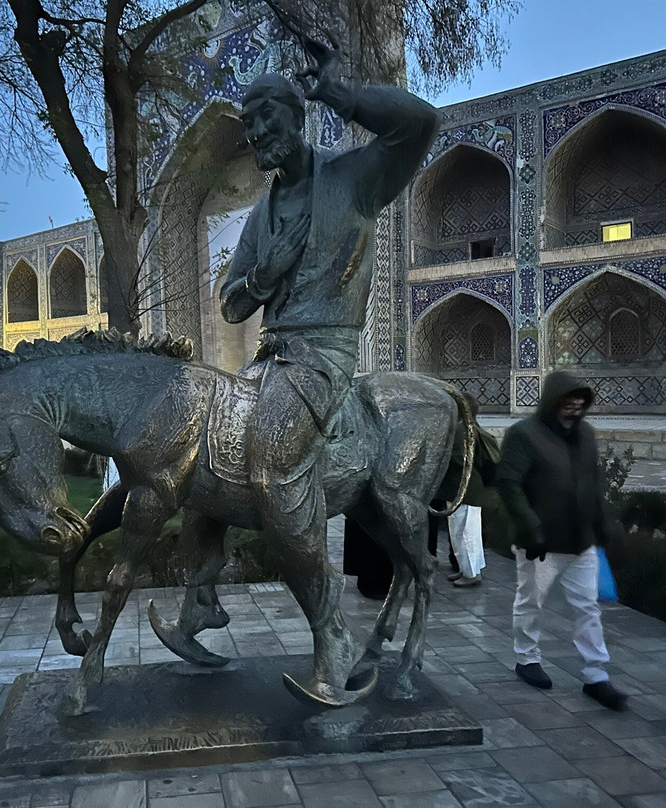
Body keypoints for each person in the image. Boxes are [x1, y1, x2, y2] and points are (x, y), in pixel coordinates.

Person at [215, 38, 441, 703]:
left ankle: (330, 633)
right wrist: (265, 271)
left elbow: (421, 124)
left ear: (296, 116)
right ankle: (200, 598)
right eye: (249, 125)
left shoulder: (353, 181)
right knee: (203, 443)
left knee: (269, 470)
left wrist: (340, 91)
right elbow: (232, 303)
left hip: (324, 356)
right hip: (271, 356)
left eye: (267, 120)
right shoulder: (264, 212)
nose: (257, 134)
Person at [497, 370, 627, 711]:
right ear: (552, 403)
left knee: (588, 607)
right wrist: (530, 528)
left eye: (579, 405)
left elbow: (591, 483)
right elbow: (509, 484)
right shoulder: (523, 434)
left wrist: (599, 526)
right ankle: (527, 658)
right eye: (567, 404)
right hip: (540, 543)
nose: (573, 411)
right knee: (530, 603)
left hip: (580, 540)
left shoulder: (585, 435)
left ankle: (596, 675)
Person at [441, 394, 494, 588]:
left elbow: (460, 459)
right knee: (461, 531)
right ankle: (466, 569)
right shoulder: (469, 427)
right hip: (464, 489)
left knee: (466, 532)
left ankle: (471, 574)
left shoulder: (461, 429)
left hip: (465, 490)